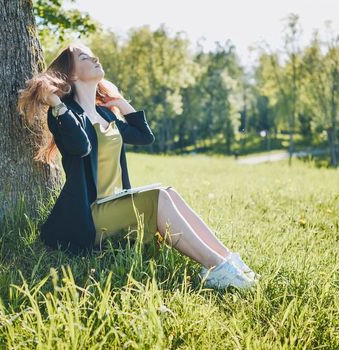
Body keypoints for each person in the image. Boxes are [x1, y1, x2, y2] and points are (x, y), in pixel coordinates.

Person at [17, 42, 260, 290]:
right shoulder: (65, 114)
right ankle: (215, 268)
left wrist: (119, 103)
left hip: (116, 204)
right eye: (84, 58)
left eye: (93, 55)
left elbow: (145, 136)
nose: (95, 58)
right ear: (72, 74)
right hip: (91, 216)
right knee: (158, 197)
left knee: (169, 193)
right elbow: (80, 147)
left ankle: (229, 261)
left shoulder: (107, 116)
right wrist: (57, 103)